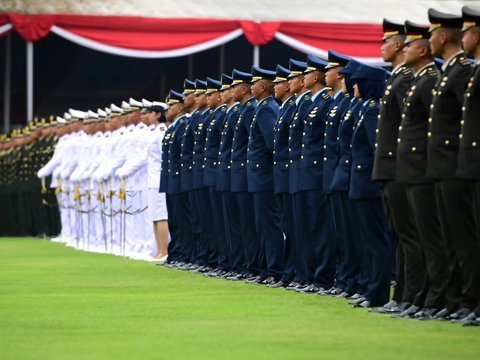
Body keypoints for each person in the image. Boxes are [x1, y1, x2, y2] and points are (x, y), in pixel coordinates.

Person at [426, 8, 478, 321]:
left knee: (466, 239)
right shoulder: (451, 71)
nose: (430, 40)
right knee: (451, 239)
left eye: (432, 34)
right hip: (451, 165)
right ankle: (457, 299)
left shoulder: (462, 72)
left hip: (459, 165)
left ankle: (470, 301)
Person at [373, 19, 421, 316]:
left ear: (400, 46)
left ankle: (414, 297)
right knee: (401, 235)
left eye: (385, 42)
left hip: (403, 165)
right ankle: (404, 295)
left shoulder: (405, 80)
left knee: (411, 236)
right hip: (394, 166)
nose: (381, 47)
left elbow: (411, 126)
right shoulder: (398, 78)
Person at [348, 63, 393, 308]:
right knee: (365, 240)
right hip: (359, 182)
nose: (354, 85)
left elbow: (378, 148)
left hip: (368, 183)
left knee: (376, 240)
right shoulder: (364, 108)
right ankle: (368, 288)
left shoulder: (373, 109)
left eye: (358, 82)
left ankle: (378, 293)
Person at [455, 6, 480, 326]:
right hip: (463, 166)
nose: (463, 38)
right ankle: (465, 302)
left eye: (467, 32)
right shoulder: (470, 72)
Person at [145, 102, 169, 261]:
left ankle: (164, 251)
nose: (147, 115)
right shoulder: (153, 132)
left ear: (158, 114)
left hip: (159, 178)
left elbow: (164, 156)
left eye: (150, 113)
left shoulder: (161, 131)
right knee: (154, 215)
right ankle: (159, 250)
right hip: (152, 178)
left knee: (161, 215)